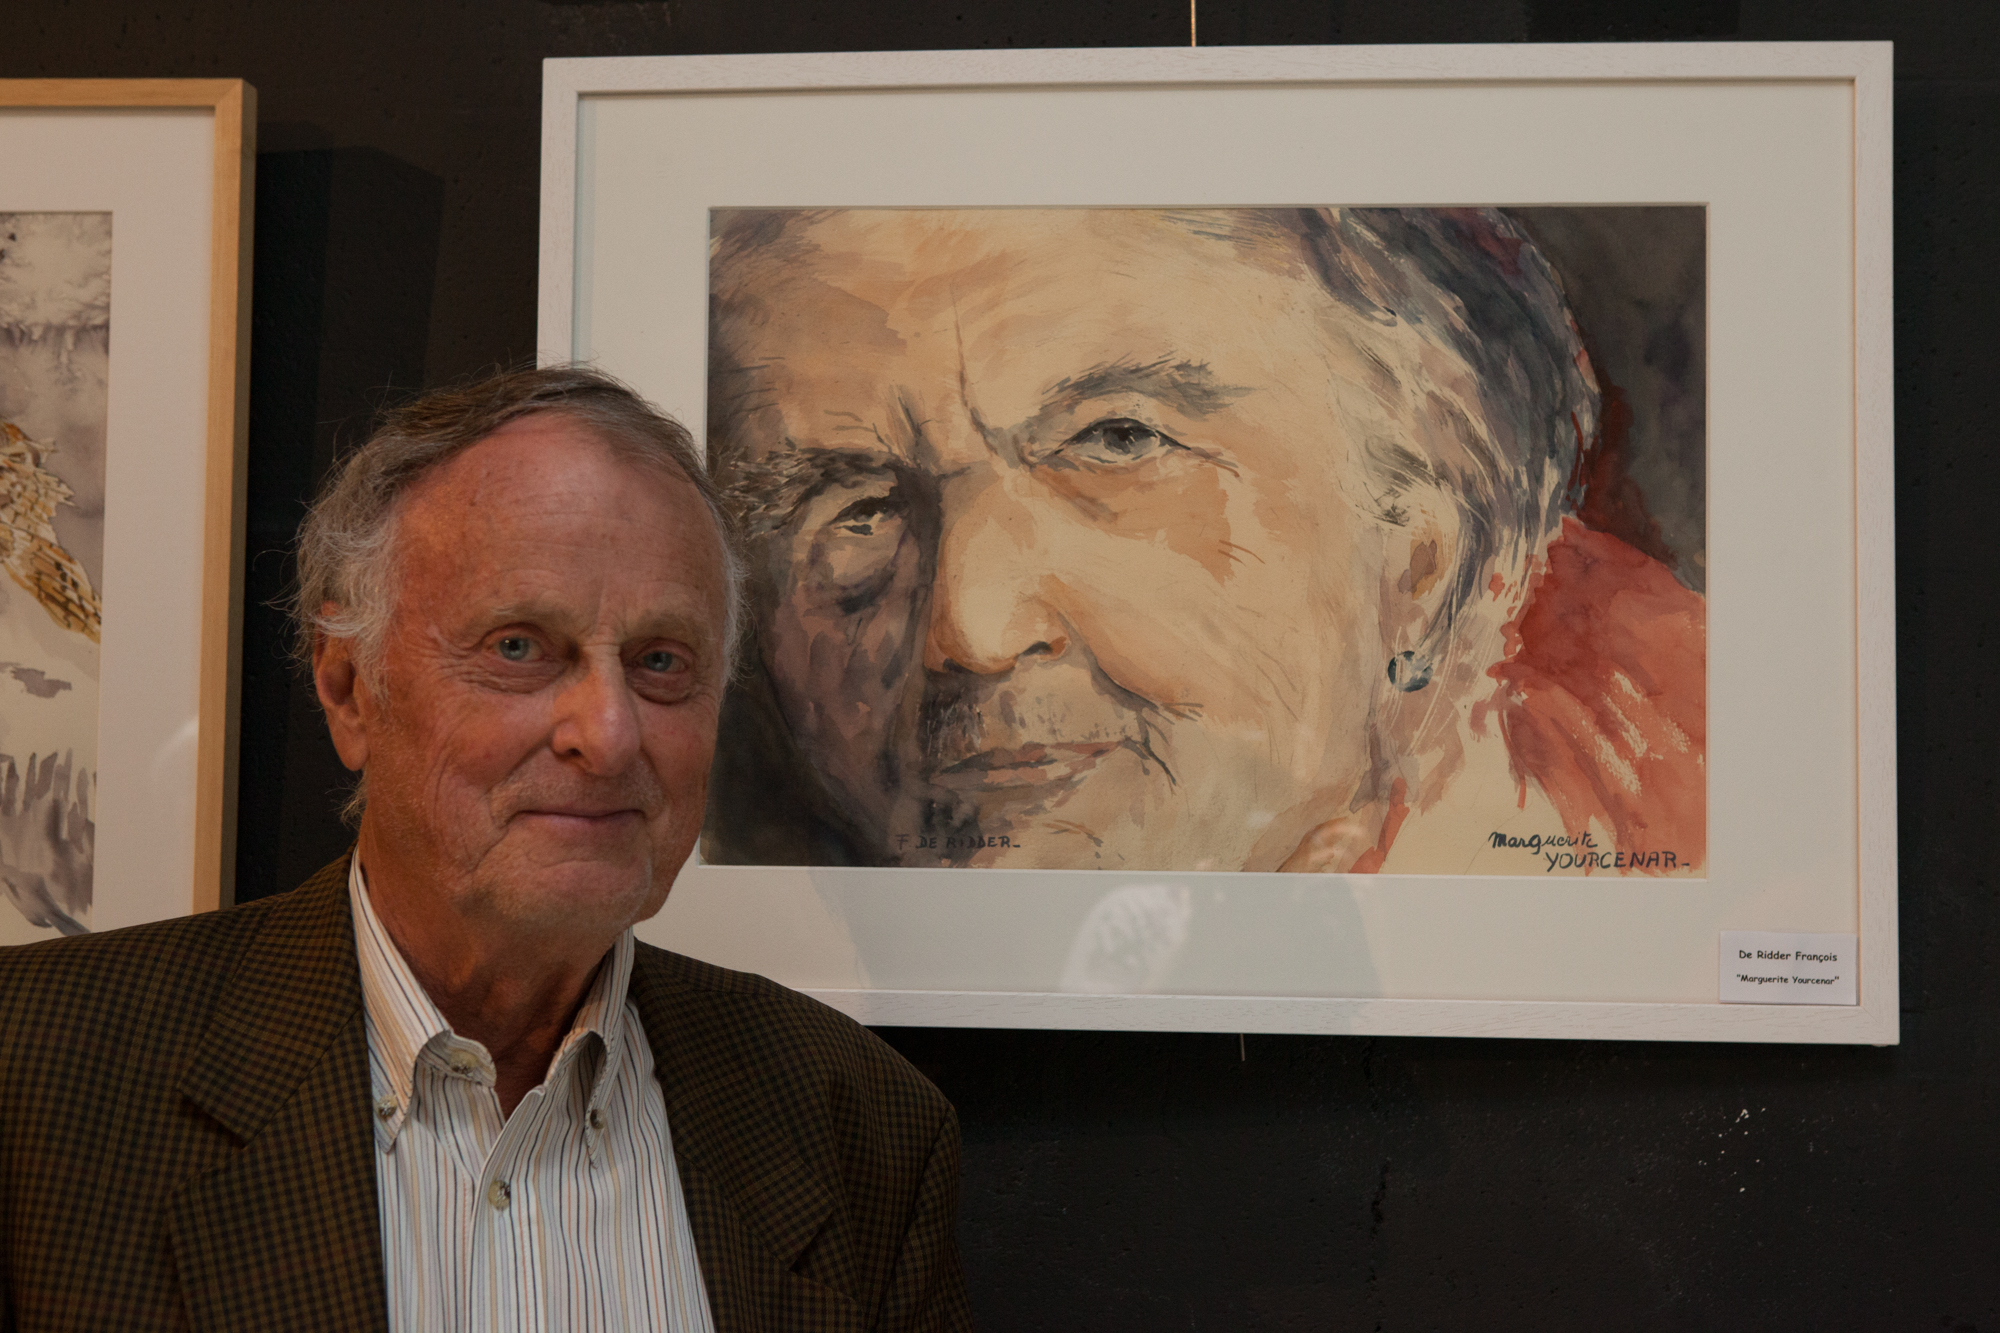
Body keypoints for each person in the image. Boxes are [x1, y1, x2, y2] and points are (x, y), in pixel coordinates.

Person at [0, 367, 973, 1331]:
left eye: (661, 661)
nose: (608, 734)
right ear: (349, 690)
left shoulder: (859, 1127)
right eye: (518, 647)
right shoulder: (36, 1077)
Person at [703, 206, 1705, 878]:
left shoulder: (1682, 816)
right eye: (855, 507)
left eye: (1117, 441)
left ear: (1419, 562)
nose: (969, 629)